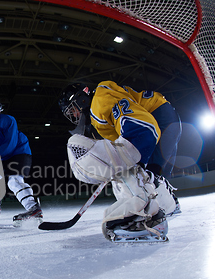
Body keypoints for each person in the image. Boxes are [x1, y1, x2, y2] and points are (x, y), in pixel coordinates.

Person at [59, 80, 181, 241]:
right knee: (148, 178)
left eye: (73, 110)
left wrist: (125, 161)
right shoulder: (99, 108)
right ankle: (167, 206)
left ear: (82, 98)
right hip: (166, 120)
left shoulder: (100, 100)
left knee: (127, 171)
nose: (74, 115)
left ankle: (144, 217)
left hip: (159, 120)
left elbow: (143, 128)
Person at [0, 100, 42, 225]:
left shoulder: (7, 120)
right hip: (2, 157)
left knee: (14, 181)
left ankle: (33, 208)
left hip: (19, 152)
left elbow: (11, 143)